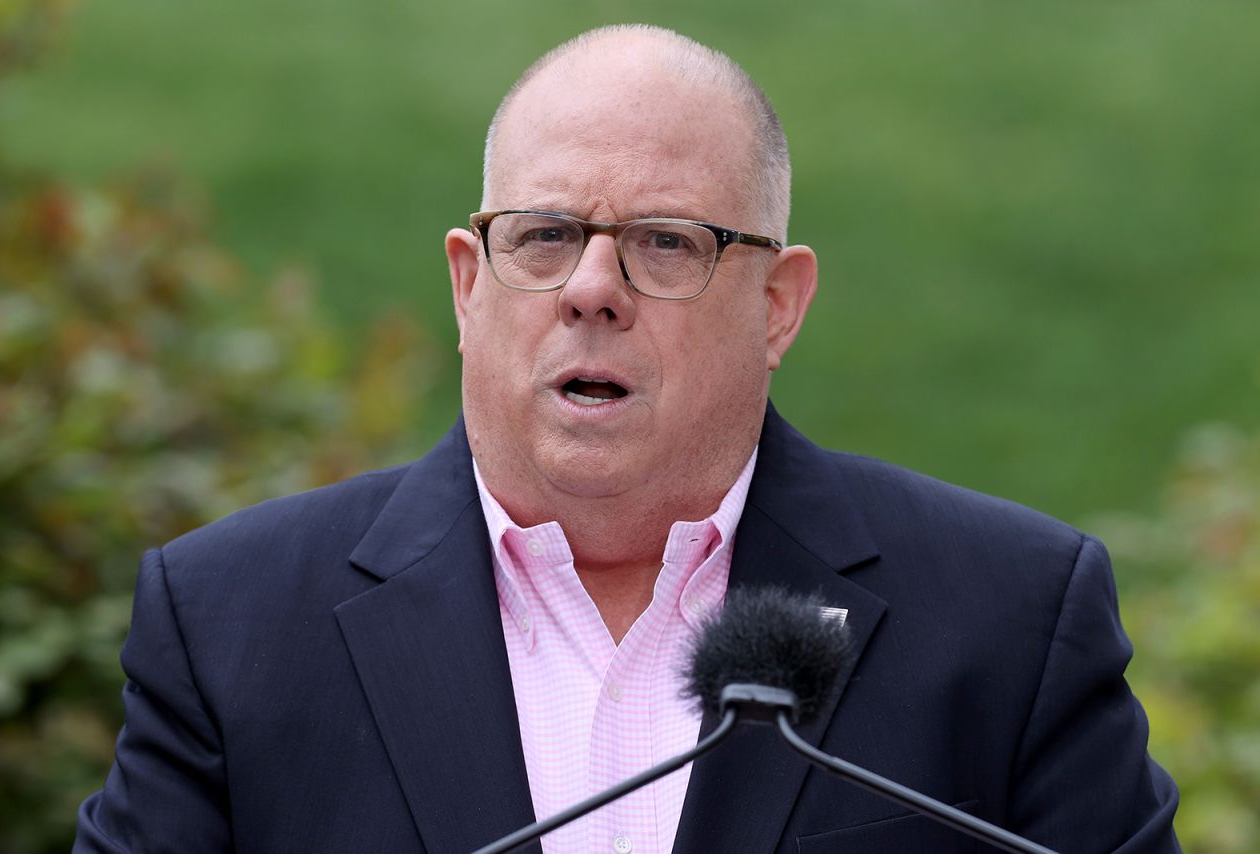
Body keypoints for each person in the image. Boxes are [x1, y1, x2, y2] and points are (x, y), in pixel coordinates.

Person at [75, 24, 1180, 854]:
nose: (591, 289)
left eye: (665, 242)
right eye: (545, 234)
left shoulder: (1009, 618)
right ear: (468, 286)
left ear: (777, 306)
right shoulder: (230, 624)